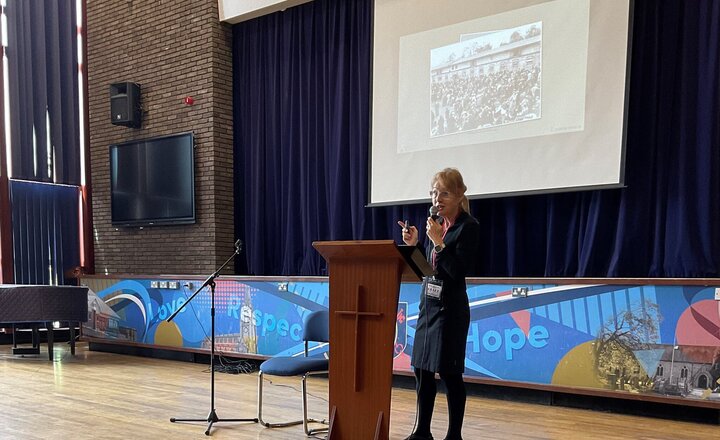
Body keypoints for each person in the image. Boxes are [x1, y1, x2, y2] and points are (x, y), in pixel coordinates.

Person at [398, 168, 480, 440]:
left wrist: (439, 243)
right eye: (434, 192)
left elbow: (458, 271)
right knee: (421, 369)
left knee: (449, 373)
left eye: (444, 192)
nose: (437, 198)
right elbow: (427, 272)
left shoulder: (468, 227)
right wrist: (414, 246)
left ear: (459, 195)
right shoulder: (438, 227)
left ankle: (453, 435)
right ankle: (422, 432)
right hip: (429, 308)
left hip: (451, 312)